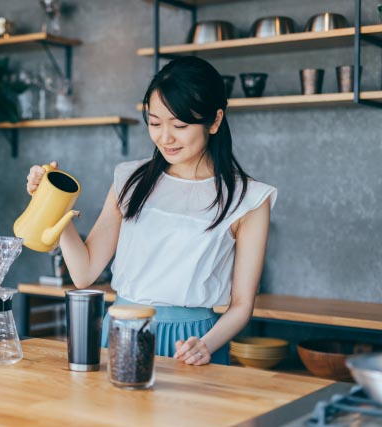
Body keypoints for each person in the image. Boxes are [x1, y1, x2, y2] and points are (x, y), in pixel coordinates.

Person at [25, 56, 276, 365]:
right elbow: (84, 273)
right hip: (123, 330)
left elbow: (241, 305)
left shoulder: (248, 198)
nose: (164, 137)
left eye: (179, 125)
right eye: (155, 123)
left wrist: (206, 345)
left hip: (193, 342)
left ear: (215, 121)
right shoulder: (130, 179)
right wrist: (54, 204)